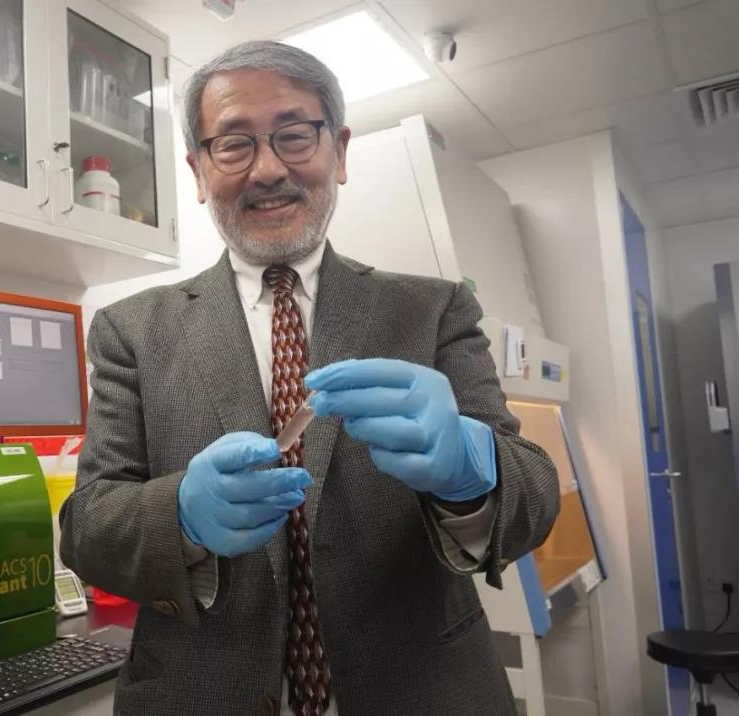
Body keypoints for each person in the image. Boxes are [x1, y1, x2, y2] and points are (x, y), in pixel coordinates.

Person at [60, 40, 559, 716]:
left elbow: (534, 497)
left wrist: (474, 473)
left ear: (339, 152)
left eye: (294, 135)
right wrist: (179, 515)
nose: (268, 170)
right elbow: (88, 528)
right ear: (200, 171)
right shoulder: (131, 330)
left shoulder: (434, 309)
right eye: (233, 145)